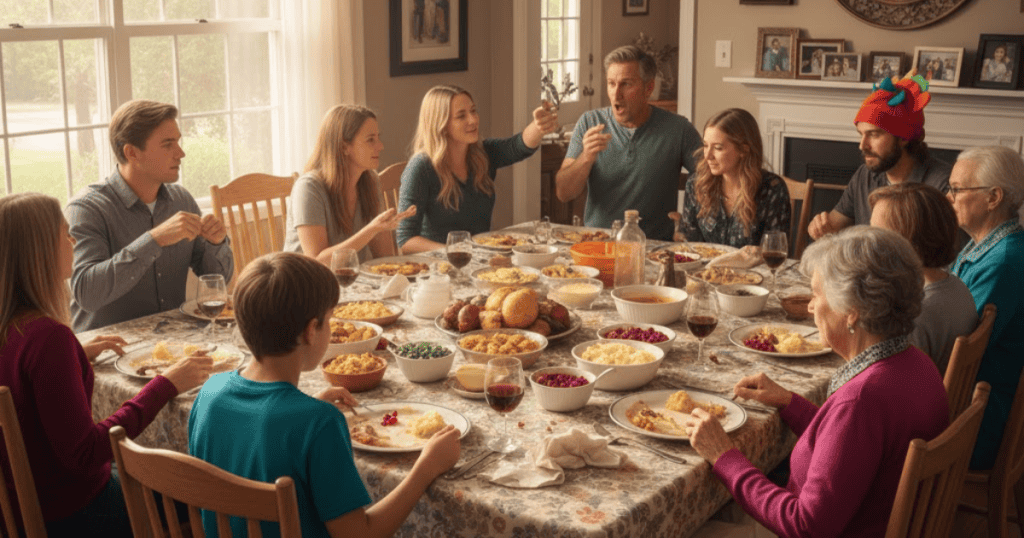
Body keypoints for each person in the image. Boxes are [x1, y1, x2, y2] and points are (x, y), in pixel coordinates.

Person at [685, 226, 948, 537]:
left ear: (851, 311)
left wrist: (722, 456)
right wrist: (790, 403)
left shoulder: (862, 400)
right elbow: (848, 450)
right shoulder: (916, 363)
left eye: (816, 295)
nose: (810, 306)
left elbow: (805, 525)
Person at [189, 252, 460, 537]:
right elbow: (360, 535)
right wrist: (426, 468)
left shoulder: (209, 392)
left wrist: (305, 409)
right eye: (329, 320)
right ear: (310, 331)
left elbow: (256, 437)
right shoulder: (320, 423)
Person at [0, 192, 213, 536]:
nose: (73, 242)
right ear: (39, 252)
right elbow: (86, 454)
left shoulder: (16, 329)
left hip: (24, 508)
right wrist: (166, 385)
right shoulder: (49, 339)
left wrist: (75, 356)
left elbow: (27, 382)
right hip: (75, 512)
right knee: (201, 486)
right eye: (66, 234)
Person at [66, 100, 233, 332]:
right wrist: (154, 240)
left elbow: (217, 280)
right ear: (132, 153)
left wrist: (217, 243)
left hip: (175, 342)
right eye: (168, 144)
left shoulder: (181, 200)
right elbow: (87, 293)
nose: (180, 153)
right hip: (109, 350)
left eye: (178, 141)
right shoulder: (87, 209)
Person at [555, 45, 702, 240]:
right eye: (611, 83)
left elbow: (711, 178)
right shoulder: (589, 122)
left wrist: (689, 223)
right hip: (599, 244)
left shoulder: (678, 129)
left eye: (626, 84)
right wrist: (586, 158)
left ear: (648, 88)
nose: (616, 94)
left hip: (654, 248)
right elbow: (564, 193)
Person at [396, 85, 557, 253]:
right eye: (461, 116)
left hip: (480, 260)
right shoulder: (421, 167)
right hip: (439, 267)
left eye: (473, 111)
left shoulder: (482, 153)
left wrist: (539, 127)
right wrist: (457, 252)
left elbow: (518, 146)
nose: (473, 120)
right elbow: (406, 240)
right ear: (440, 124)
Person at [947, 145, 1024, 470]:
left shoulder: (1003, 261)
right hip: (972, 402)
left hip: (976, 418)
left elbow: (953, 348)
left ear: (993, 198)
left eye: (957, 189)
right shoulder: (985, 246)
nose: (949, 197)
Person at [808, 74, 952, 239]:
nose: (862, 145)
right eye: (861, 134)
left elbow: (943, 258)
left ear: (904, 137)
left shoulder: (941, 185)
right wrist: (818, 227)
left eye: (874, 135)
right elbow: (832, 226)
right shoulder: (866, 174)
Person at [284, 105, 415, 265]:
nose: (380, 146)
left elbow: (385, 258)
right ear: (344, 147)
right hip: (307, 284)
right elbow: (317, 261)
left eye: (378, 138)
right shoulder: (309, 188)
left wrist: (382, 228)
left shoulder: (370, 181)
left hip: (351, 281)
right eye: (370, 140)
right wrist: (372, 229)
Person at [868, 182, 977, 373]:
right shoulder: (955, 285)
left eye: (878, 234)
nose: (869, 242)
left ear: (911, 240)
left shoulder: (915, 312)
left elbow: (900, 384)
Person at [676, 108, 791, 247]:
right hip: (707, 268)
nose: (707, 156)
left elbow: (774, 250)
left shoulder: (772, 189)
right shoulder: (697, 184)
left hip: (753, 269)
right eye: (706, 146)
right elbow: (691, 245)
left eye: (718, 148)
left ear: (744, 149)